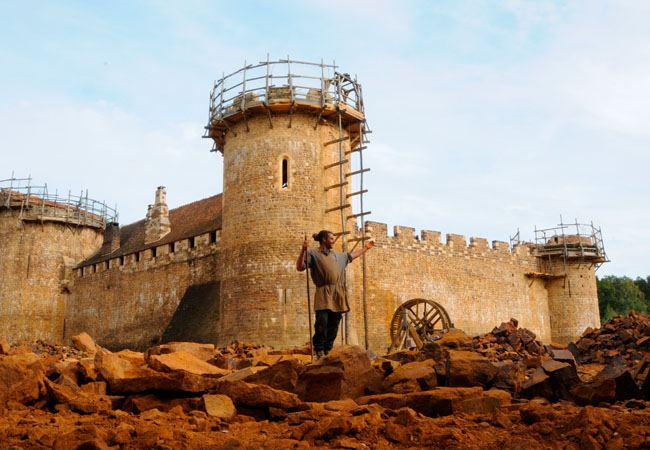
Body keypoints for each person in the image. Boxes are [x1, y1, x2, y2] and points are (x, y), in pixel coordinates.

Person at [296, 230, 374, 359]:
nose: (333, 240)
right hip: (323, 293)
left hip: (338, 294)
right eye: (331, 238)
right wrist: (303, 250)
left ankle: (328, 350)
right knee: (322, 322)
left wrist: (365, 248)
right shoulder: (313, 253)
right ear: (324, 240)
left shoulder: (339, 256)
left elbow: (351, 256)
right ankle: (319, 349)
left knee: (334, 324)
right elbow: (299, 267)